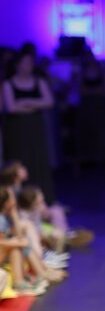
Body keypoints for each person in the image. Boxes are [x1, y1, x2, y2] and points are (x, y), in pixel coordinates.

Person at [2, 51, 55, 203]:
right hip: (17, 128)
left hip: (35, 127)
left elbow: (49, 102)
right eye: (24, 63)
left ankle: (41, 200)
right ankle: (18, 200)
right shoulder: (9, 83)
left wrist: (26, 103)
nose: (28, 67)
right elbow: (11, 107)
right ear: (17, 65)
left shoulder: (39, 82)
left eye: (30, 63)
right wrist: (35, 104)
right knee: (20, 160)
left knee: (38, 160)